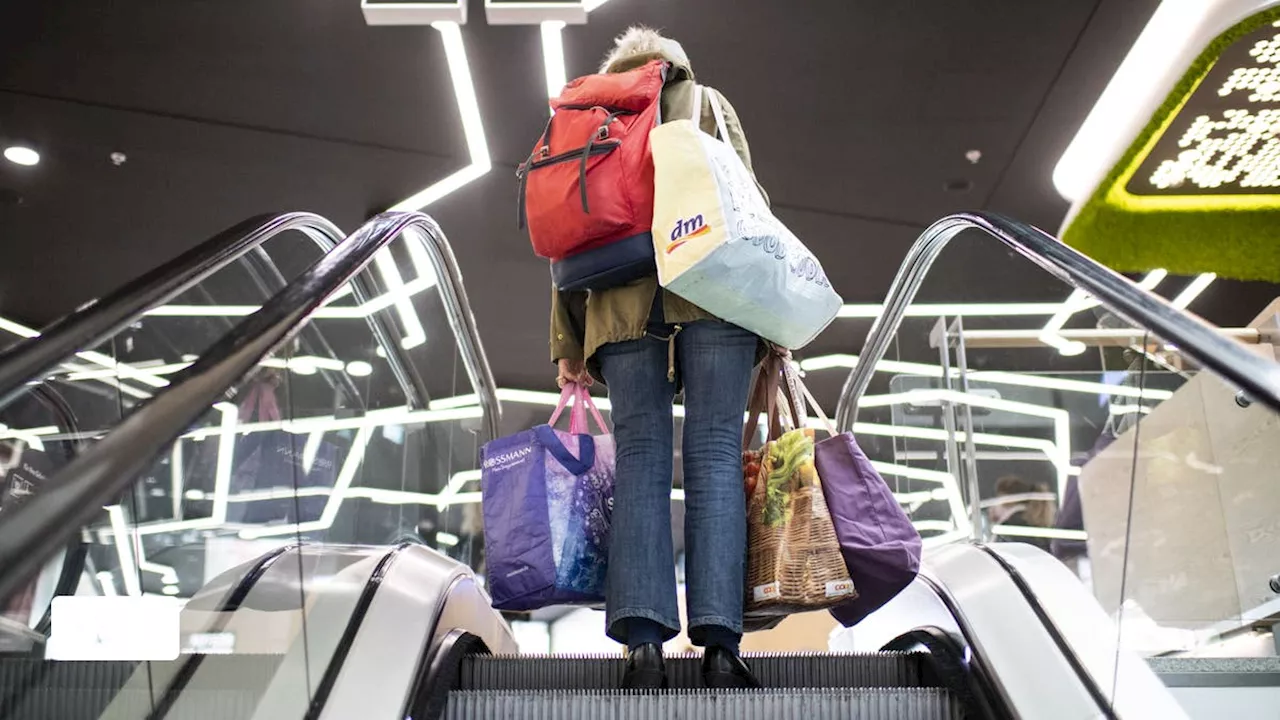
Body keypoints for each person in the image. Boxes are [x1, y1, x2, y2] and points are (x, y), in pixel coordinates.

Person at [550, 26, 766, 690]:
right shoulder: (706, 104)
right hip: (713, 298)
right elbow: (746, 204)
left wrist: (568, 343)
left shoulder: (586, 123)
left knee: (641, 459)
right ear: (674, 67)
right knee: (715, 452)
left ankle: (643, 644)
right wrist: (773, 312)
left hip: (617, 308)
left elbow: (561, 236)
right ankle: (721, 645)